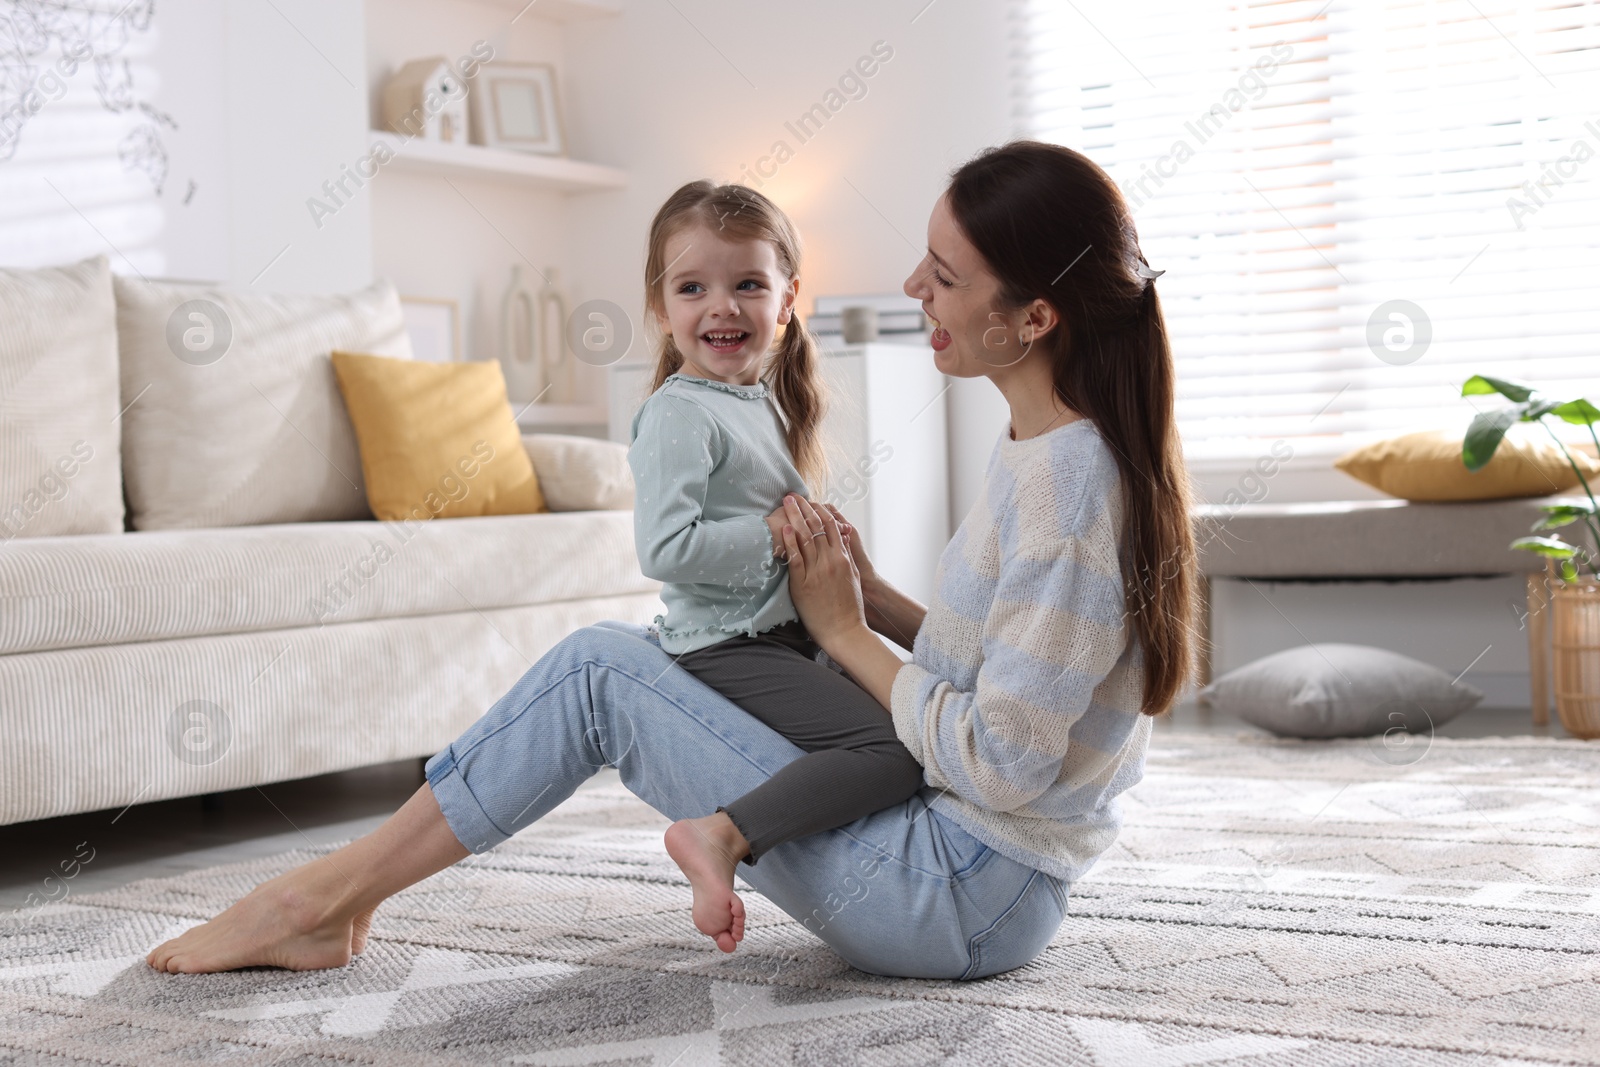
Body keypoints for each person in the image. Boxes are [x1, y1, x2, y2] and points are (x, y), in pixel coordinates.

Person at [145, 140, 1197, 981]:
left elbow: (999, 761)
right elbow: (997, 673)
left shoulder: (1065, 494)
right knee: (615, 659)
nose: (913, 282)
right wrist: (876, 603)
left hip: (958, 891)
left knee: (600, 667)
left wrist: (837, 631)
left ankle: (317, 900)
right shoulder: (1044, 451)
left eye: (947, 271)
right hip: (971, 869)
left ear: (1034, 317)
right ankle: (336, 896)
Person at [628, 180, 925, 952]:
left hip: (784, 633)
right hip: (728, 641)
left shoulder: (761, 402)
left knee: (928, 716)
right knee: (893, 746)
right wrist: (775, 534)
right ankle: (721, 836)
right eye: (692, 287)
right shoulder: (677, 413)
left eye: (747, 285)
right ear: (662, 307)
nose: (720, 306)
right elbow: (666, 549)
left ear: (788, 299)